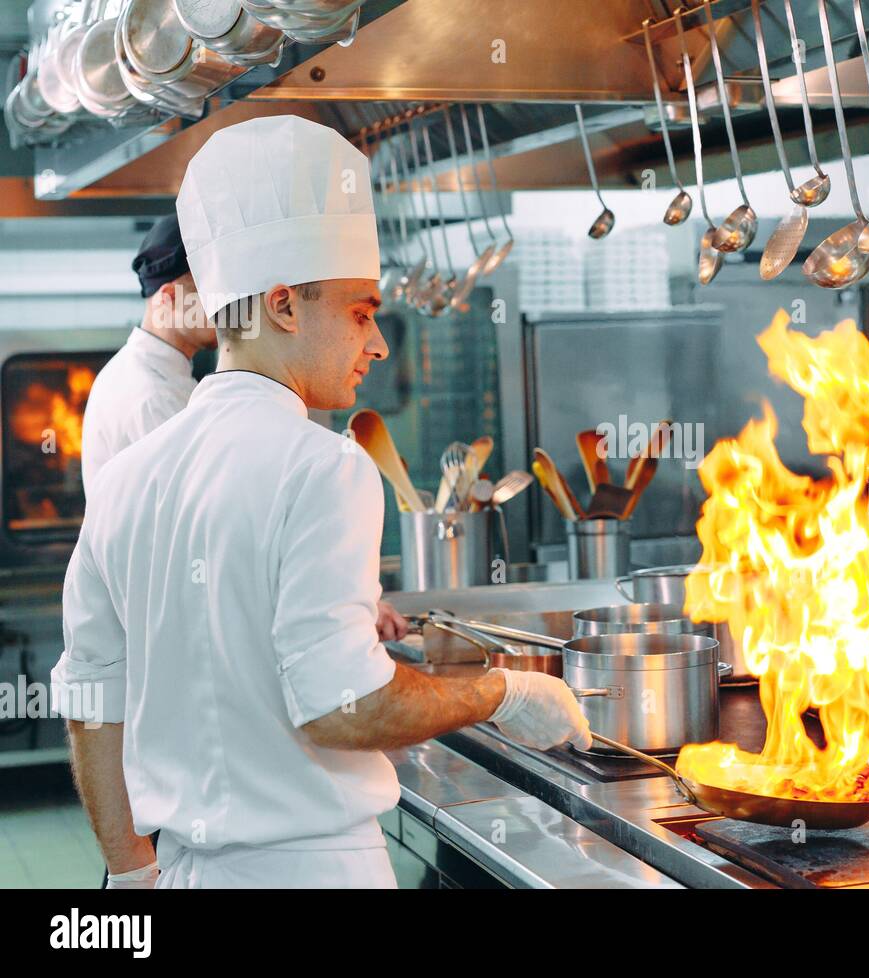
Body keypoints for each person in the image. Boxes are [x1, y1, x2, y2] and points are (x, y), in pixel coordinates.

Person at [52, 115, 589, 890]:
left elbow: (91, 701)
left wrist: (134, 879)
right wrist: (505, 692)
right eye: (362, 312)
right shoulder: (325, 467)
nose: (377, 344)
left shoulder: (131, 476)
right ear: (283, 306)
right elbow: (343, 707)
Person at [80, 215, 216, 495]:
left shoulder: (145, 372)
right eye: (209, 296)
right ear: (169, 298)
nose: (222, 310)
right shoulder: (153, 396)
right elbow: (195, 502)